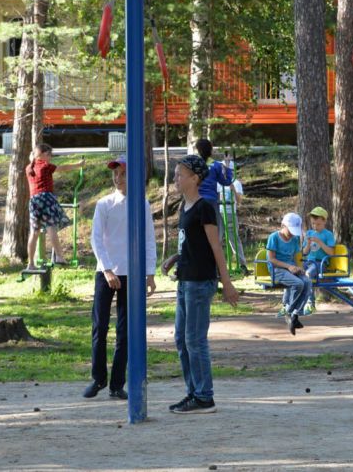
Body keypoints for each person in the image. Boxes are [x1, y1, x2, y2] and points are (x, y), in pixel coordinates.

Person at [161, 155, 239, 414]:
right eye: (175, 174)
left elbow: (215, 246)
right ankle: (193, 393)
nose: (175, 179)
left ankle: (205, 397)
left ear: (195, 178)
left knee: (195, 340)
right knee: (181, 339)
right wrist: (175, 258)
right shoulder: (184, 207)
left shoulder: (204, 207)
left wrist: (226, 282)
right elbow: (192, 244)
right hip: (185, 280)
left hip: (200, 281)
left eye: (180, 175)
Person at [84, 155, 157, 400]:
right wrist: (107, 269)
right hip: (105, 273)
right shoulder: (104, 204)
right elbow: (96, 239)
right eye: (115, 173)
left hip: (131, 274)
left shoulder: (142, 204)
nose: (118, 178)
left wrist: (149, 273)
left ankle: (117, 384)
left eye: (123, 173)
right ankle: (98, 378)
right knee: (100, 326)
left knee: (125, 331)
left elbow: (148, 239)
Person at [25, 143, 84, 271]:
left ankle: (30, 264)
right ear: (42, 154)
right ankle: (59, 257)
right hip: (46, 198)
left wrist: (33, 158)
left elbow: (33, 161)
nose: (50, 157)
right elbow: (63, 168)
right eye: (49, 154)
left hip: (34, 201)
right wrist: (78, 165)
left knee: (34, 233)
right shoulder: (45, 166)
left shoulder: (29, 168)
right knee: (51, 228)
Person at [267, 213, 309, 335]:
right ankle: (289, 312)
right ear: (283, 225)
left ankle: (294, 315)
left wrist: (300, 268)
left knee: (307, 282)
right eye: (290, 230)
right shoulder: (274, 237)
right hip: (277, 269)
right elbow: (271, 259)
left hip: (291, 268)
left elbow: (297, 256)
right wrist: (289, 267)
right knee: (298, 283)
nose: (292, 233)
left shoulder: (295, 239)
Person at [193, 139, 233, 240]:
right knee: (216, 230)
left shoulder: (194, 164)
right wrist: (227, 166)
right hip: (211, 202)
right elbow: (226, 182)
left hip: (196, 201)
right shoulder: (216, 165)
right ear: (210, 151)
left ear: (198, 150)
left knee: (197, 230)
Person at [217, 153, 248, 276]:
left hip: (230, 213)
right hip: (219, 213)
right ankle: (217, 266)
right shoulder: (219, 183)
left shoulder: (236, 183)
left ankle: (242, 264)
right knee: (217, 239)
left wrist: (233, 189)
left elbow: (239, 201)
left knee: (233, 239)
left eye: (225, 169)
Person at [301, 206, 335, 316]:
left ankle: (310, 303)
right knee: (295, 272)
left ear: (324, 221)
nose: (315, 226)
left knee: (308, 274)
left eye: (318, 224)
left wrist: (320, 242)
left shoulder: (328, 234)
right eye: (313, 224)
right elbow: (304, 252)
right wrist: (308, 244)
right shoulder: (309, 233)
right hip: (308, 261)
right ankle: (295, 303)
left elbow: (331, 253)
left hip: (321, 263)